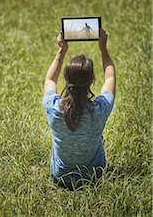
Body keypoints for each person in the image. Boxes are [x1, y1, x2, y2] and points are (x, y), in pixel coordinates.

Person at [42, 28, 116, 190]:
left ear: (66, 79)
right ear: (92, 80)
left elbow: (49, 80)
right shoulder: (100, 109)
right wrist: (103, 48)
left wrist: (62, 50)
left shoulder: (53, 107)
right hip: (94, 175)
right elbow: (110, 77)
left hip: (61, 175)